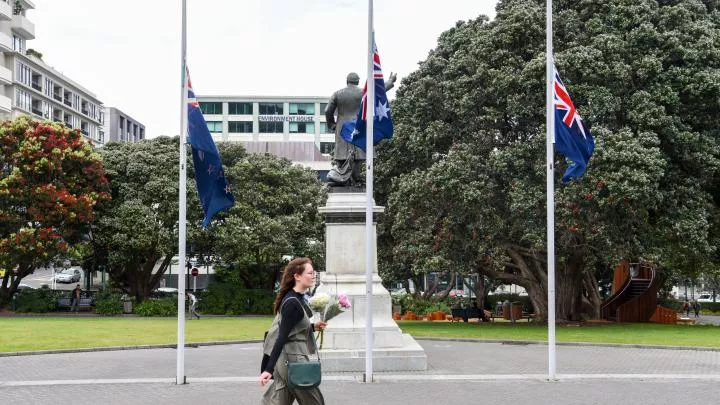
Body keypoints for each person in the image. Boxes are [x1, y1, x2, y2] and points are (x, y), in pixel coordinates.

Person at [259, 257, 327, 405]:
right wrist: (268, 370)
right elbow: (281, 337)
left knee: (278, 401)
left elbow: (291, 329)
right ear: (297, 276)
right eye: (309, 273)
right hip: (294, 359)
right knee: (314, 402)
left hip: (290, 359)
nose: (313, 276)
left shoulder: (297, 298)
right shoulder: (292, 303)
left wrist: (312, 327)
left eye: (313, 273)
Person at [325, 72, 397, 186]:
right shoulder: (363, 92)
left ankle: (343, 180)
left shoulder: (337, 94)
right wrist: (391, 81)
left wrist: (332, 125)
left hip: (342, 128)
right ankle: (356, 179)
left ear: (347, 81)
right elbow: (379, 91)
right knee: (358, 156)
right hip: (359, 125)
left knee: (342, 155)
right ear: (358, 81)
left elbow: (328, 110)